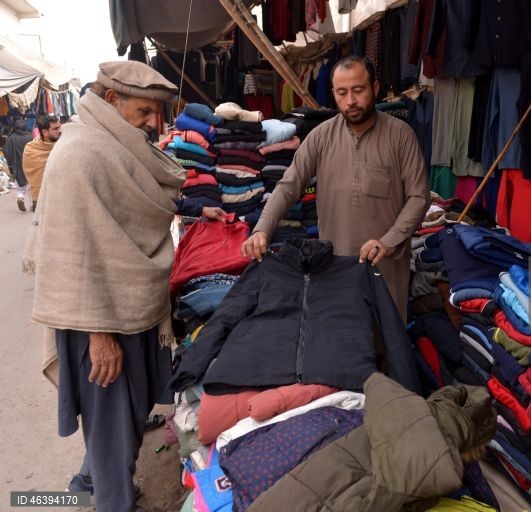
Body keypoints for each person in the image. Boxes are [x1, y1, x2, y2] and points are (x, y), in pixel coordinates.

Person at [24, 60, 224, 512]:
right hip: (97, 322)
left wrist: (192, 208)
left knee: (124, 419)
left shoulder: (112, 144)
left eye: (157, 112)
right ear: (112, 100)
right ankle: (111, 502)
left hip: (127, 308)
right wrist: (99, 336)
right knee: (113, 427)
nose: (154, 124)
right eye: (144, 112)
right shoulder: (79, 156)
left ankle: (93, 481)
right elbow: (74, 256)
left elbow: (139, 197)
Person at [241, 56, 430, 321]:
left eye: (358, 90)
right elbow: (289, 185)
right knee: (340, 343)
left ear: (375, 88)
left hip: (385, 267)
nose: (350, 101)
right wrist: (262, 229)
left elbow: (418, 197)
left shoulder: (401, 136)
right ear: (333, 94)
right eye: (342, 93)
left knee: (386, 344)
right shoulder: (321, 136)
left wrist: (389, 242)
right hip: (334, 267)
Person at [22, 115, 62, 212]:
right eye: (55, 128)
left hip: (62, 198)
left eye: (60, 127)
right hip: (41, 200)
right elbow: (29, 172)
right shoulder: (31, 148)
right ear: (45, 132)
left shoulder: (64, 145)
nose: (60, 131)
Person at [5, 119, 33, 211]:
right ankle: (33, 204)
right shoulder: (30, 137)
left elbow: (7, 152)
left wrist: (10, 164)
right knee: (31, 184)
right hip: (30, 163)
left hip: (17, 165)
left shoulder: (11, 138)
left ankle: (20, 197)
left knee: (19, 184)